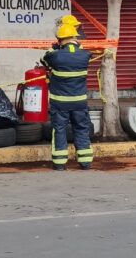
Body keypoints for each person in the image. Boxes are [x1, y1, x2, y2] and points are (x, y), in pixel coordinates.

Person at [40, 23, 94, 170]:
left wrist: (54, 48)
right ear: (75, 38)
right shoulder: (85, 55)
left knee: (59, 130)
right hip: (79, 102)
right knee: (82, 129)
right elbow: (85, 53)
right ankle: (85, 162)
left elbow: (43, 60)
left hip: (60, 102)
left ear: (60, 39)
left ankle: (59, 164)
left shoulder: (55, 56)